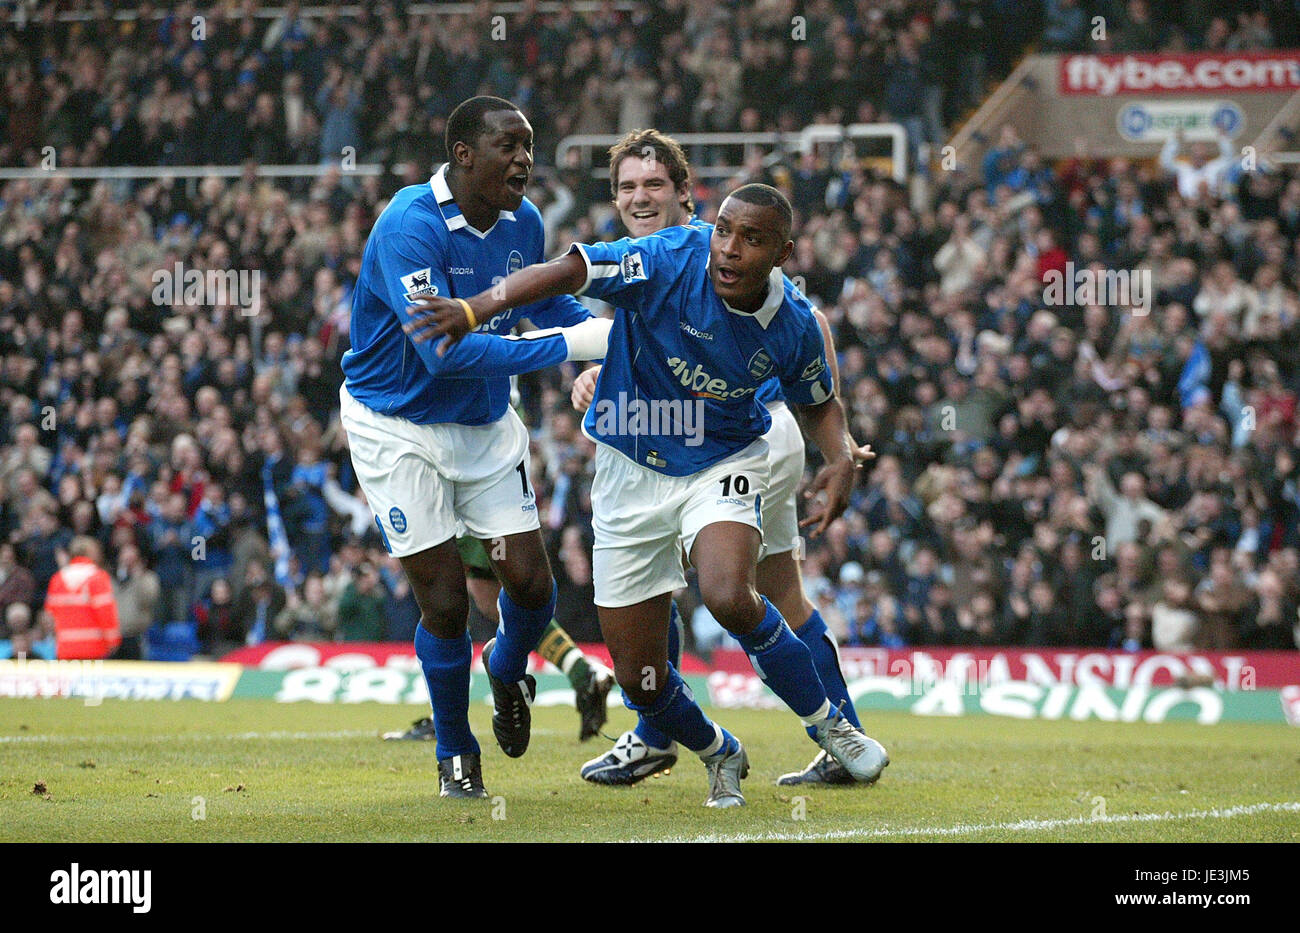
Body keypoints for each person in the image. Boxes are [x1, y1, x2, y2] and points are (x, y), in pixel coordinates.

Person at [406, 183, 890, 807]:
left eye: (753, 239)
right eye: (725, 231)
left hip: (721, 460)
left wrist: (839, 456)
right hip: (628, 471)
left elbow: (818, 402)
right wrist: (476, 308)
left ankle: (832, 727)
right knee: (640, 680)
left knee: (726, 592)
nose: (731, 249)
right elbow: (568, 270)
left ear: (784, 253)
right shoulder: (669, 258)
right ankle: (721, 751)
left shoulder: (791, 322)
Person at [567, 129, 879, 787]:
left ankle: (683, 732)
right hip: (682, 437)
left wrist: (839, 448)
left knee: (733, 587)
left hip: (742, 440)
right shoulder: (650, 260)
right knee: (710, 587)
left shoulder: (720, 248)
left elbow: (804, 333)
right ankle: (825, 733)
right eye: (626, 186)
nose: (639, 197)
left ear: (687, 194)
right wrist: (606, 375)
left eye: (654, 184)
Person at [340, 96, 611, 798]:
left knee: (531, 583)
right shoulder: (409, 225)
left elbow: (548, 301)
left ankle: (506, 665)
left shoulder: (524, 221)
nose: (524, 157)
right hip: (396, 425)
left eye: (529, 144)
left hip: (485, 424)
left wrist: (591, 340)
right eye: (509, 145)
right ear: (463, 155)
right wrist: (577, 344)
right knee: (446, 601)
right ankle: (457, 754)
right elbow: (442, 354)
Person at [46, 536, 120, 661]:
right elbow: (106, 613)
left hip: (65, 648)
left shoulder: (57, 579)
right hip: (94, 649)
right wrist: (113, 641)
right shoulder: (98, 577)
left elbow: (50, 615)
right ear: (91, 552)